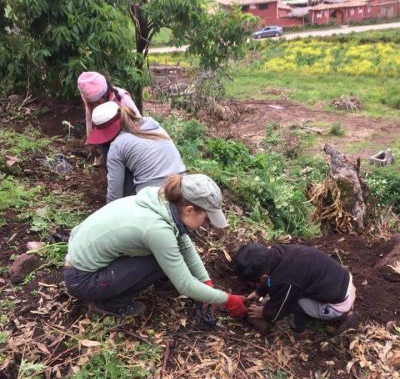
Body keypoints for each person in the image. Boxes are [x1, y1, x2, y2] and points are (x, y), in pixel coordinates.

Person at [63, 173, 248, 319]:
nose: (207, 224)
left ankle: (160, 284)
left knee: (168, 255)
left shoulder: (162, 200)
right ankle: (110, 303)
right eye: (206, 218)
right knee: (162, 261)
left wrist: (205, 281)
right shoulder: (157, 229)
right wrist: (228, 300)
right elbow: (185, 285)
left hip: (80, 257)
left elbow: (185, 245)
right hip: (82, 279)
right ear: (189, 210)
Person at [235, 243, 356, 336]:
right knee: (295, 290)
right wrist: (259, 292)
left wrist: (264, 312)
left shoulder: (287, 280)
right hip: (342, 281)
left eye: (255, 282)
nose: (255, 284)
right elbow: (271, 278)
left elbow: (279, 309)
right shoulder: (278, 252)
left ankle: (302, 331)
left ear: (264, 277)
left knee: (293, 303)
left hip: (338, 303)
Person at [88, 101, 186, 203]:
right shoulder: (154, 126)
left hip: (154, 199)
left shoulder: (117, 145)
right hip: (182, 189)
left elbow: (114, 196)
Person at [77, 71, 141, 140]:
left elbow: (139, 123)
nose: (96, 105)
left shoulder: (122, 99)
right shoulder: (90, 103)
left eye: (97, 102)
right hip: (105, 138)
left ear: (105, 95)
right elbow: (89, 119)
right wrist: (90, 139)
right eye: (93, 103)